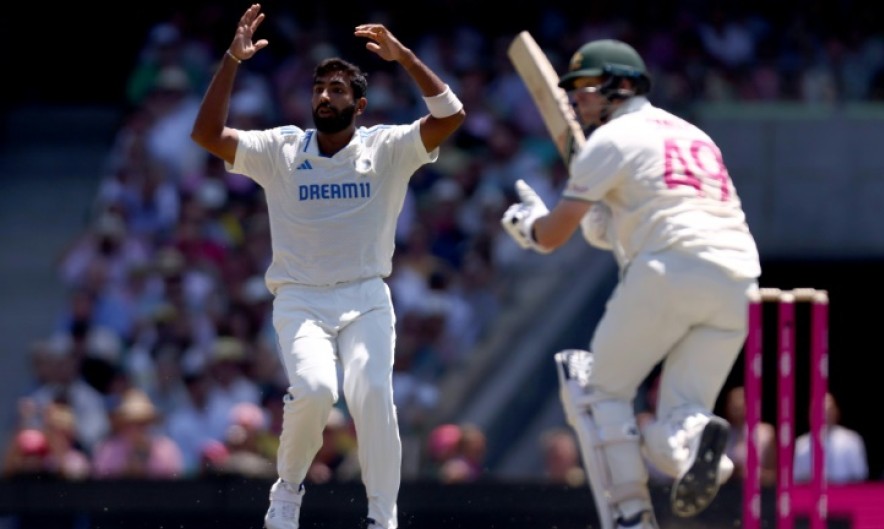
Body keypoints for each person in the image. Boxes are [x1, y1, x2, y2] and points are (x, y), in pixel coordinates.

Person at [189, 5, 465, 529]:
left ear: (359, 105)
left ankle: (383, 519)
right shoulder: (280, 149)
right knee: (316, 392)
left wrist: (404, 57)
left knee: (374, 395)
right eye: (319, 88)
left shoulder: (386, 148)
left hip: (365, 295)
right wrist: (231, 60)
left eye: (338, 90)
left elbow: (451, 116)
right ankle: (287, 489)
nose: (325, 96)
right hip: (301, 298)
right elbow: (207, 134)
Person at [501, 39, 761, 528]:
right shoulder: (695, 134)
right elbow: (637, 216)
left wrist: (528, 225)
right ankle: (702, 455)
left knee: (599, 391)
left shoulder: (610, 141)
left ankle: (631, 515)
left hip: (669, 268)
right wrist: (606, 223)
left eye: (583, 88)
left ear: (621, 85)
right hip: (739, 283)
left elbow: (553, 234)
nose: (576, 101)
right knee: (679, 418)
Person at [793, 392, 868, 484]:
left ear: (836, 412)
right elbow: (796, 479)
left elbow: (860, 476)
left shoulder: (852, 441)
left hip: (845, 495)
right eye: (818, 410)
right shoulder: (800, 445)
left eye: (828, 411)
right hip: (811, 496)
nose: (824, 415)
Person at [723, 385, 777, 487]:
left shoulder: (766, 433)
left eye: (739, 404)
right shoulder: (722, 434)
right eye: (732, 404)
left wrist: (749, 473)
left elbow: (774, 475)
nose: (736, 408)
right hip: (726, 492)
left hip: (757, 491)